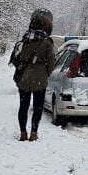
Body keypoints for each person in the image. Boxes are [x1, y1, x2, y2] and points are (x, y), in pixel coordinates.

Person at [9, 9, 56, 141]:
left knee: (23, 106)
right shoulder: (47, 42)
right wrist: (45, 73)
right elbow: (52, 63)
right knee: (37, 107)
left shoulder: (24, 40)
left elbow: (15, 58)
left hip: (24, 77)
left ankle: (23, 132)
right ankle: (34, 132)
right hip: (40, 79)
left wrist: (23, 67)